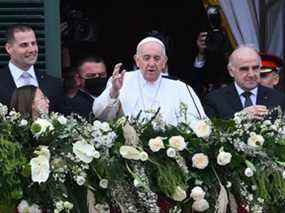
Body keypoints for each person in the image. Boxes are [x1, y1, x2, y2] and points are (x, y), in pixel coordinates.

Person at [93, 37, 207, 126]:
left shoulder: (180, 87)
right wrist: (114, 91)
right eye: (146, 58)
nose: (151, 63)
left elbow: (199, 123)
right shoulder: (122, 80)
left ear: (164, 62)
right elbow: (100, 116)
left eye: (157, 58)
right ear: (137, 60)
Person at [204, 45, 285, 120]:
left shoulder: (279, 99)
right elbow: (212, 133)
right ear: (231, 72)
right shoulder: (215, 99)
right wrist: (240, 118)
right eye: (244, 69)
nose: (251, 74)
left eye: (255, 68)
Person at [0, 24, 64, 113]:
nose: (32, 49)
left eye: (33, 43)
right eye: (24, 45)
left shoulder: (54, 84)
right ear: (9, 48)